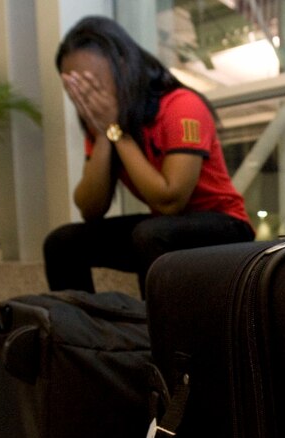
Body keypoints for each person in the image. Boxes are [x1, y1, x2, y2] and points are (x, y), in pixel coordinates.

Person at [44, 16, 254, 297]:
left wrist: (117, 132)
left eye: (91, 84)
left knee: (151, 234)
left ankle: (158, 335)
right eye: (75, 88)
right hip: (163, 230)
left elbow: (170, 200)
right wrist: (105, 134)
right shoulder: (105, 124)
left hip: (225, 227)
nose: (85, 96)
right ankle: (85, 333)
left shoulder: (181, 105)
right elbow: (91, 208)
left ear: (122, 65)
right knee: (62, 243)